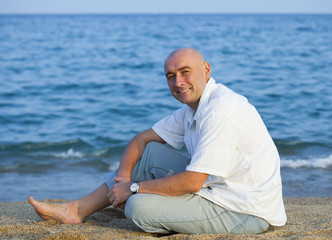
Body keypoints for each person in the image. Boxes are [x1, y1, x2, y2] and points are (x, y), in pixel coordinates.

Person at [29, 48, 287, 234]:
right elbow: (140, 140)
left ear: (206, 70)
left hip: (245, 210)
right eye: (170, 76)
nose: (178, 82)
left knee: (138, 208)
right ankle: (75, 210)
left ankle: (156, 208)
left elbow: (193, 182)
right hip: (218, 189)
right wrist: (123, 178)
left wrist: (132, 189)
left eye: (185, 72)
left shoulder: (221, 111)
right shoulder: (193, 108)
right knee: (149, 152)